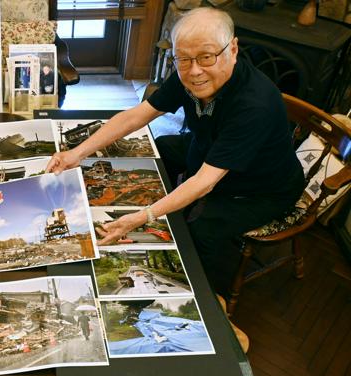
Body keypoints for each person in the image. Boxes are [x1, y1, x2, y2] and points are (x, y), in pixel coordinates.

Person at [46, 7, 305, 295]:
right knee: (165, 147)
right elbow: (137, 115)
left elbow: (206, 181)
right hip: (211, 150)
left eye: (206, 57)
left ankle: (205, 292)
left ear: (232, 49)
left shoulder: (254, 105)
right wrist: (76, 154)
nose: (194, 71)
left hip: (260, 188)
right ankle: (165, 209)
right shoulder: (189, 75)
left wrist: (143, 217)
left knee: (204, 230)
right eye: (183, 59)